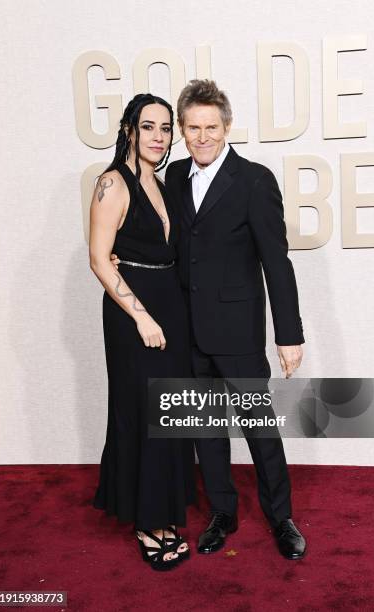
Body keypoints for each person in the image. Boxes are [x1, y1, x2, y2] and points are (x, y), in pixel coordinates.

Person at [111, 80, 307, 560]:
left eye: (210, 127)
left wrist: (289, 335)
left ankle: (281, 518)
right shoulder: (173, 177)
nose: (202, 136)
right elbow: (152, 232)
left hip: (238, 331)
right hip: (185, 331)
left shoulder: (255, 180)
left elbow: (276, 262)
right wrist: (120, 258)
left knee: (259, 426)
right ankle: (223, 511)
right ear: (182, 129)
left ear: (227, 127)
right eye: (192, 127)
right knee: (205, 428)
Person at [89, 93, 196, 571]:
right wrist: (141, 316)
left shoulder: (165, 181)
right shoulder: (112, 182)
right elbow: (98, 258)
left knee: (169, 411)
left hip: (170, 304)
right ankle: (147, 521)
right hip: (134, 314)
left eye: (165, 128)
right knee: (141, 409)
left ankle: (167, 510)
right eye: (148, 126)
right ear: (129, 129)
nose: (158, 137)